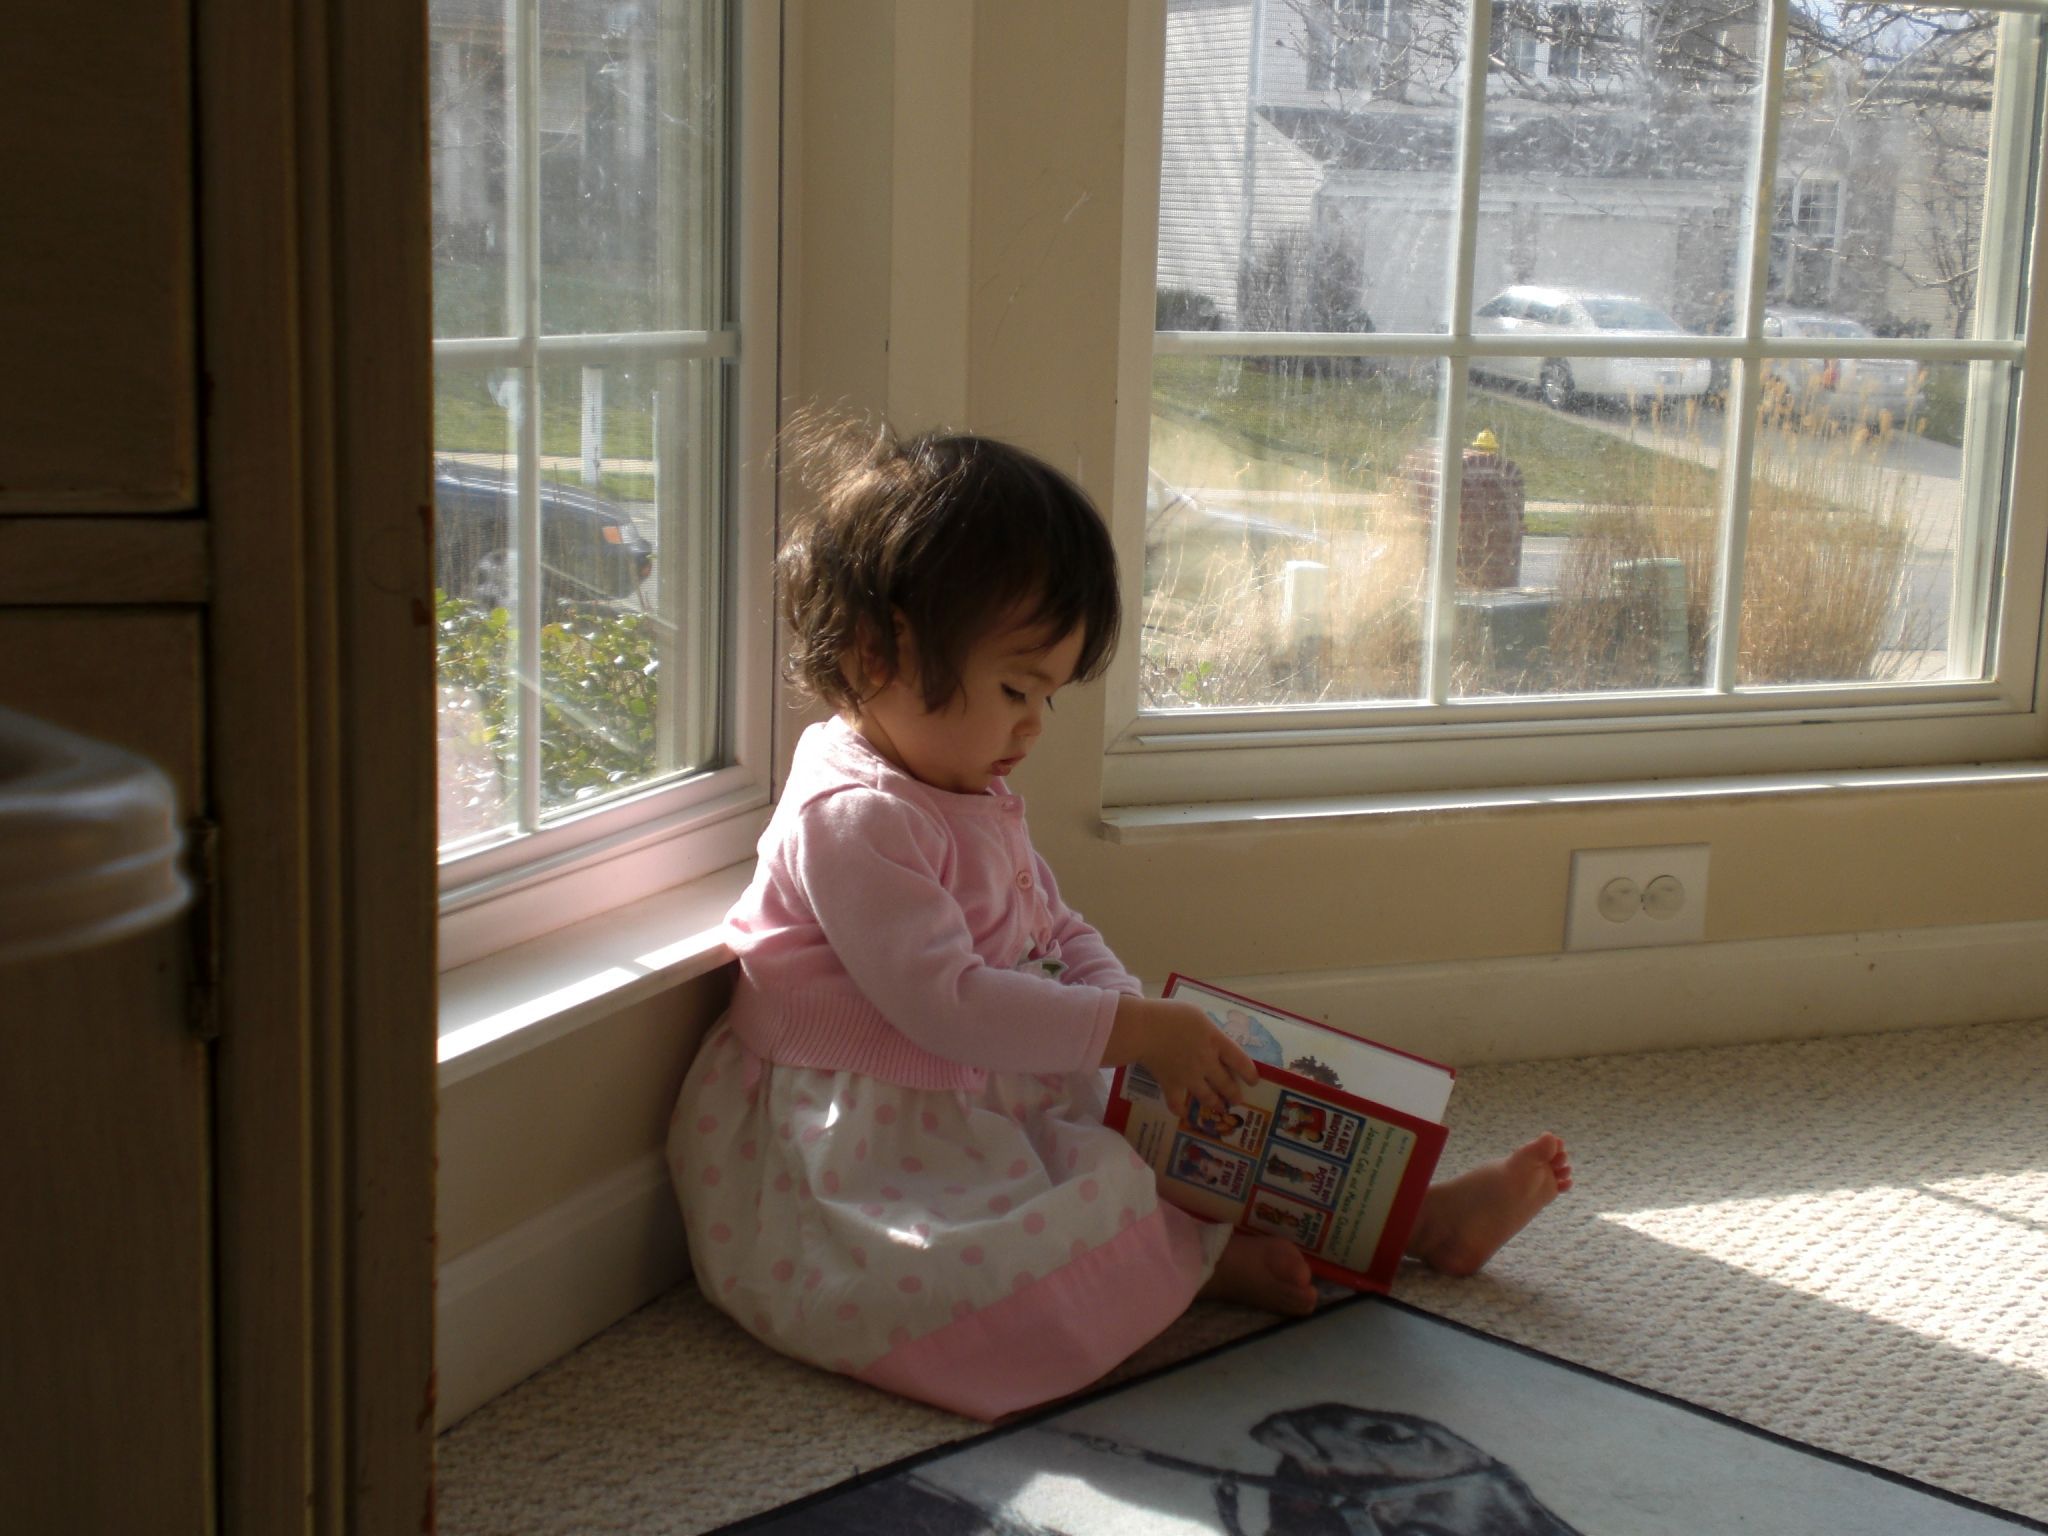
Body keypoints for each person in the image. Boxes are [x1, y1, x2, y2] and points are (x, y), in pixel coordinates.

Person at [668, 424, 1572, 1421]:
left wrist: (1126, 1016)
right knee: (1008, 1254)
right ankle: (1199, 1262)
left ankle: (1412, 1223)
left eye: (1048, 698)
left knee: (1184, 1128)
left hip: (986, 1076)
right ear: (881, 651)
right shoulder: (854, 816)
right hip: (870, 1127)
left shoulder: (956, 774)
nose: (1032, 727)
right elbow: (946, 1006)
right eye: (1016, 690)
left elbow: (1053, 924)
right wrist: (1127, 1033)